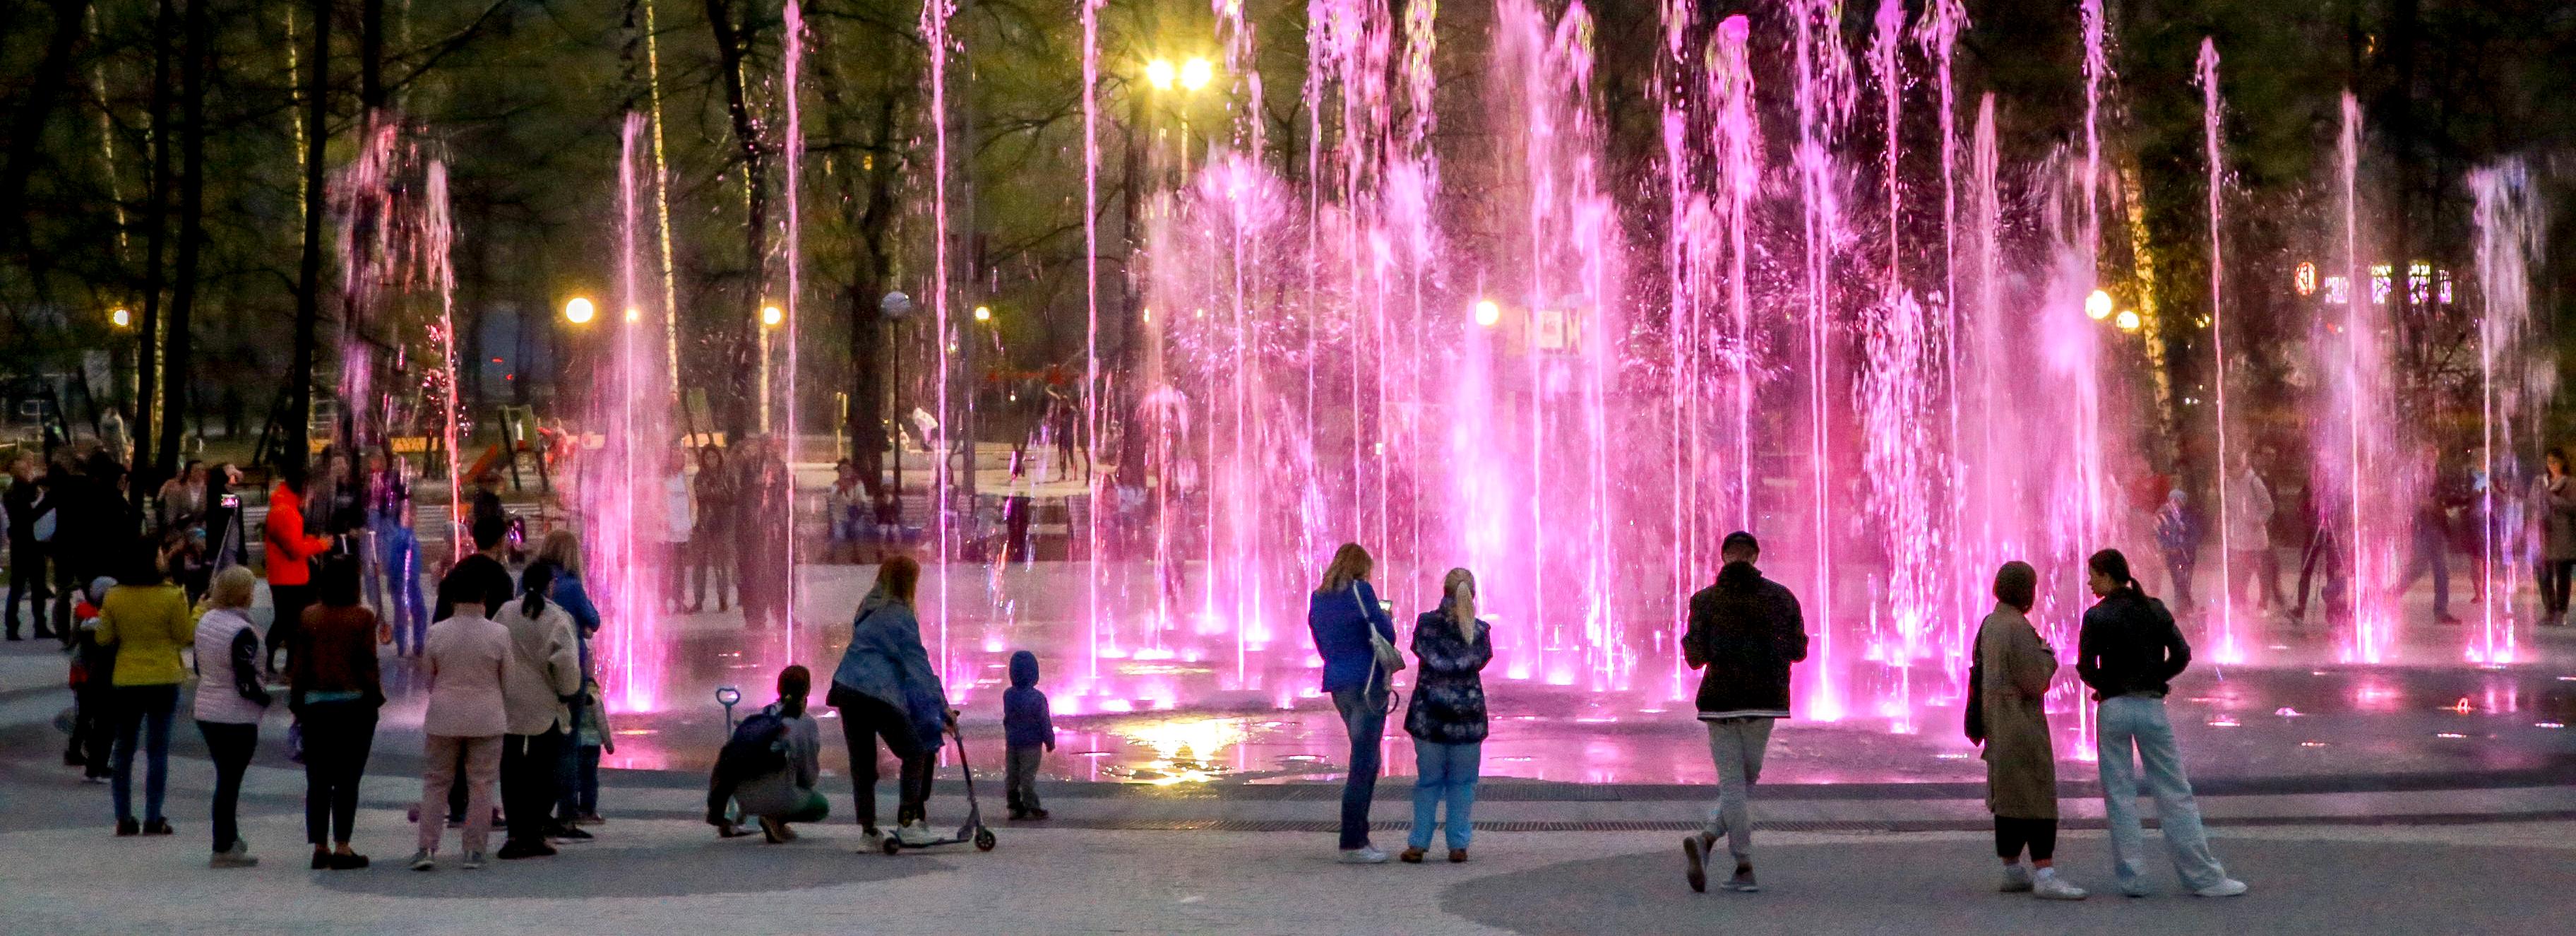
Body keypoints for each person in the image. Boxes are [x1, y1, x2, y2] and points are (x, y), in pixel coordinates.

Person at [2075, 548, 2247, 898]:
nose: (2089, 581)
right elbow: (2182, 654)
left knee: (2119, 795)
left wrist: (2106, 686)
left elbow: (2085, 667)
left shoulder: (2096, 616)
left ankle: (2132, 878)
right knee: (2174, 791)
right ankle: (2203, 876)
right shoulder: (2153, 609)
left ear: (2108, 576)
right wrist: (2156, 678)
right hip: (2151, 706)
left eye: (2093, 574)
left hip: (2113, 708)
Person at [1678, 531, 1808, 894]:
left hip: (1721, 703)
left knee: (1735, 783)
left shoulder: (1705, 600)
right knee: (1745, 779)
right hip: (1764, 701)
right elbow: (1799, 650)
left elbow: (1694, 657)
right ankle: (1741, 861)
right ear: (1755, 557)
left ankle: (1714, 845)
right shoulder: (1781, 598)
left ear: (1723, 558)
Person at [1973, 562, 2084, 900]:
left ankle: (2012, 868)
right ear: (2026, 590)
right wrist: (2049, 655)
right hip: (2019, 723)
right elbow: (2035, 681)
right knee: (2037, 796)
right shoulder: (2016, 628)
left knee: (2007, 797)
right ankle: (2045, 873)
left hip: (1996, 720)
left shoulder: (1991, 623)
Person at [827, 555, 952, 848]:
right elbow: (918, 665)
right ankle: (908, 821)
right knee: (914, 752)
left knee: (862, 762)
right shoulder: (900, 616)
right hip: (875, 692)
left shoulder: (868, 609)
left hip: (847, 688)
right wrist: (941, 704)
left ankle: (868, 831)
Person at [409, 571, 515, 872]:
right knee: (481, 785)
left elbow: (428, 677)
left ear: (453, 599)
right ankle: (474, 851)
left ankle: (427, 847)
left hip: (444, 716)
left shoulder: (437, 633)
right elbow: (509, 682)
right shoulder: (499, 634)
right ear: (484, 599)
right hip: (487, 717)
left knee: (436, 783)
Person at [287, 555, 384, 870]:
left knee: (317, 779)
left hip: (316, 705)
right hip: (354, 704)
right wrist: (375, 701)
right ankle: (343, 845)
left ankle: (319, 845)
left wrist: (297, 705)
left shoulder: (309, 616)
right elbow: (368, 664)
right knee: (347, 779)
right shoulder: (362, 617)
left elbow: (299, 665)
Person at [1306, 543, 1398, 863]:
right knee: (1364, 761)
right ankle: (1353, 842)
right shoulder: (1362, 590)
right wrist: (1386, 616)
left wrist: (1337, 661)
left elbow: (1318, 636)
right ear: (1361, 567)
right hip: (1368, 682)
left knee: (1365, 758)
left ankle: (1360, 836)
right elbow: (1386, 634)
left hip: (1338, 683)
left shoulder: (1318, 596)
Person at [97, 544, 193, 837]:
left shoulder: (115, 596)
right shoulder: (172, 595)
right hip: (164, 675)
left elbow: (103, 638)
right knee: (157, 749)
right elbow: (184, 636)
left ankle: (123, 817)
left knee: (124, 748)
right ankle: (154, 816)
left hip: (127, 676)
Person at [1402, 567, 1491, 864]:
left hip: (1429, 717)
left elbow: (1420, 652)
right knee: (1463, 784)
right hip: (1467, 720)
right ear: (1473, 595)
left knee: (1428, 782)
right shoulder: (1479, 632)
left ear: (1444, 592)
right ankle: (1458, 845)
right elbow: (1478, 663)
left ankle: (1418, 843)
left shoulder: (1426, 626)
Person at [495, 562, 580, 860]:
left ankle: (515, 831)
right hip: (545, 703)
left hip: (508, 701)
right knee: (546, 770)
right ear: (551, 585)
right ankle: (534, 829)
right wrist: (568, 691)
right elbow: (567, 661)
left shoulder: (505, 613)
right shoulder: (557, 618)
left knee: (512, 769)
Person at [192, 567, 270, 868]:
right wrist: (266, 700)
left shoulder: (207, 621)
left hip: (208, 708)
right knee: (229, 782)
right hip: (235, 715)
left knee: (226, 779)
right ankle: (223, 845)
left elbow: (201, 666)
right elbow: (245, 679)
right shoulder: (242, 632)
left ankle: (229, 838)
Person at [529, 530, 600, 839]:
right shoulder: (571, 587)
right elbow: (594, 619)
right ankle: (567, 814)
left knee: (539, 741)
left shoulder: (529, 582)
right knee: (568, 744)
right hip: (570, 668)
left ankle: (537, 810)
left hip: (535, 668)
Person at [733, 665, 829, 842]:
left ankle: (770, 818)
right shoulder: (806, 723)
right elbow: (809, 777)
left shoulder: (763, 716)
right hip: (779, 797)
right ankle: (776, 819)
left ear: (779, 689)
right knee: (821, 806)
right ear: (807, 690)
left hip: (744, 800)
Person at [263, 464, 335, 671]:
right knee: (289, 623)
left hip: (287, 575)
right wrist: (320, 545)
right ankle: (285, 665)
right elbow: (293, 549)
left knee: (286, 622)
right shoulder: (285, 511)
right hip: (289, 578)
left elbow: (290, 541)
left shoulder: (285, 506)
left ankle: (284, 664)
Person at [367, 447, 429, 656]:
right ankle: (407, 644)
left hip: (397, 543)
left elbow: (406, 501)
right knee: (403, 597)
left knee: (408, 596)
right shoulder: (373, 488)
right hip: (393, 544)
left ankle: (411, 643)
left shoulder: (393, 482)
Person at [735, 436, 793, 629]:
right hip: (755, 529)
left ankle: (783, 613)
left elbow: (784, 496)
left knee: (781, 573)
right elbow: (741, 493)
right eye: (766, 446)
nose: (771, 450)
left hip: (777, 528)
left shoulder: (781, 467)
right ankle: (755, 616)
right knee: (755, 572)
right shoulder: (750, 467)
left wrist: (784, 522)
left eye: (773, 446)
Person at [66, 576, 116, 781]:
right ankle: (90, 757)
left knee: (85, 716)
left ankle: (78, 751)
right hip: (95, 675)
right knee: (101, 721)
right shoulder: (102, 619)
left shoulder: (84, 612)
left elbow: (75, 640)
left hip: (82, 674)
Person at [2221, 453, 2280, 610]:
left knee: (2262, 573)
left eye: (2233, 469)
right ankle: (2240, 602)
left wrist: (2258, 520)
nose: (2230, 474)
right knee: (2241, 573)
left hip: (2256, 540)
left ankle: (2263, 604)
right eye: (2228, 470)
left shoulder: (2254, 482)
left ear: (2240, 467)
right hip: (2239, 539)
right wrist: (2226, 517)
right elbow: (2228, 505)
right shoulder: (2228, 483)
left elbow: (2269, 507)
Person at [1001, 650, 1055, 821]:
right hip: (1031, 745)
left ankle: (1014, 806)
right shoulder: (1038, 698)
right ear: (1034, 674)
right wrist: (1049, 741)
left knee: (1012, 774)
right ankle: (1032, 806)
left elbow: (1008, 718)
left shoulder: (1008, 695)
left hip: (1012, 743)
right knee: (1027, 776)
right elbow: (1044, 721)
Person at [4, 455, 50, 641]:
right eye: (23, 470)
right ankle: (15, 627)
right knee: (19, 587)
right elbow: (26, 516)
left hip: (31, 544)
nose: (27, 472)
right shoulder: (13, 493)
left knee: (37, 586)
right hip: (25, 544)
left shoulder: (26, 490)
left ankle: (38, 625)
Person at [689, 444, 735, 612]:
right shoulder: (700, 477)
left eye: (714, 457)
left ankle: (723, 599)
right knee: (699, 566)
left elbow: (732, 496)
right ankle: (699, 600)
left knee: (721, 565)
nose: (711, 461)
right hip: (703, 525)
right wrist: (717, 493)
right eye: (708, 458)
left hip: (721, 525)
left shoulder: (727, 475)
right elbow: (701, 494)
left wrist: (716, 493)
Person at [2534, 449, 2575, 623]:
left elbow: (2573, 507)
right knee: (2543, 573)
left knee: (2562, 572)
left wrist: (2552, 499)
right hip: (2543, 533)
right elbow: (2531, 503)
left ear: (2563, 463)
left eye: (2555, 462)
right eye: (2549, 461)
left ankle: (2561, 611)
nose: (2551, 466)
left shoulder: (2571, 483)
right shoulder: (2540, 481)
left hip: (2563, 534)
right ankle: (2549, 610)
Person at [2153, 490, 2198, 614]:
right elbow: (2159, 534)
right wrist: (2167, 548)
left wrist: (2184, 547)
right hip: (2172, 556)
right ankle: (2182, 606)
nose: (2175, 503)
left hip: (2186, 555)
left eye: (2178, 501)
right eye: (2173, 500)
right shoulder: (2163, 516)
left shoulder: (2187, 516)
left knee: (2184, 579)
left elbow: (2193, 535)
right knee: (2178, 579)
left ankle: (2185, 605)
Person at [662, 449, 694, 615]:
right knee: (666, 567)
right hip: (666, 529)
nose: (678, 460)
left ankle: (679, 599)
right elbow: (658, 502)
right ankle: (662, 601)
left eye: (680, 457)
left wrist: (692, 522)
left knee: (681, 567)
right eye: (675, 457)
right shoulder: (663, 480)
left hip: (683, 526)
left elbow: (693, 501)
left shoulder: (687, 479)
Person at [828, 459, 866, 562]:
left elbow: (862, 500)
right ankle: (830, 554)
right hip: (840, 515)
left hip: (855, 515)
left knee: (858, 531)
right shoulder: (836, 485)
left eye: (848, 470)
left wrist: (858, 508)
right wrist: (840, 490)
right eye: (843, 470)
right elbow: (831, 499)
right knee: (839, 536)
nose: (845, 472)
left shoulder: (858, 484)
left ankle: (857, 556)